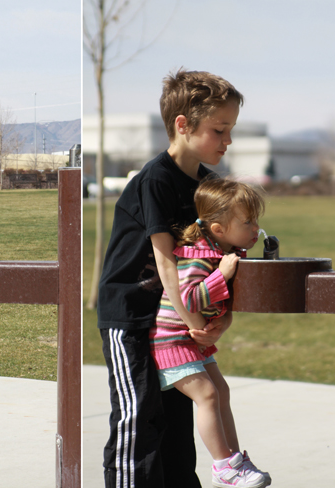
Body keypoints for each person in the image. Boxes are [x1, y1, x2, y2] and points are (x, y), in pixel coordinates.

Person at [97, 69, 244, 488]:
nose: (227, 140)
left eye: (230, 130)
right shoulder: (156, 180)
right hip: (132, 318)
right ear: (183, 125)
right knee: (139, 420)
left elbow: (219, 266)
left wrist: (220, 320)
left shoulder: (210, 188)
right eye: (219, 130)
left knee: (179, 429)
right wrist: (194, 320)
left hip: (177, 320)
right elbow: (165, 265)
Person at [150, 177, 271, 488]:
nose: (255, 229)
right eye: (248, 222)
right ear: (219, 230)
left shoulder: (222, 251)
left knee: (222, 392)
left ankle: (235, 460)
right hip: (172, 342)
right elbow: (187, 299)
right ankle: (222, 467)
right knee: (207, 394)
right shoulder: (199, 257)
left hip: (193, 343)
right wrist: (221, 274)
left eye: (256, 221)